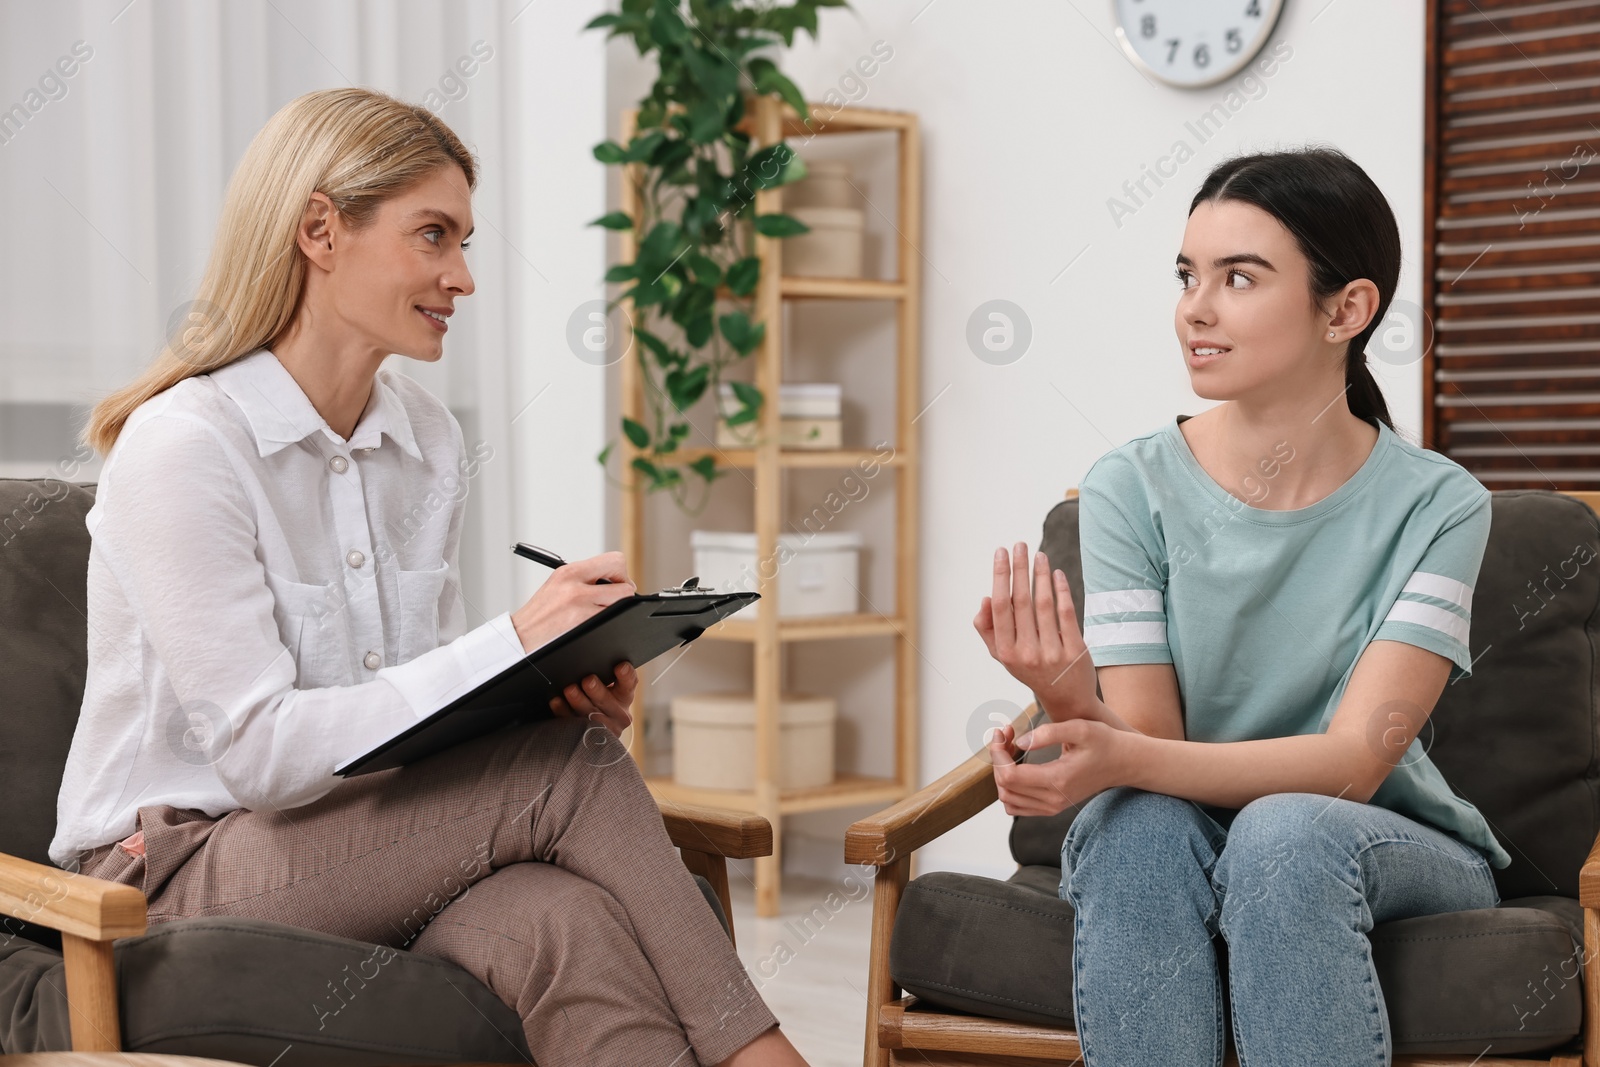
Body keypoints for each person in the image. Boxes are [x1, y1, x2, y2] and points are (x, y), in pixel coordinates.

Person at [53, 86, 809, 1067]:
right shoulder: (186, 445)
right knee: (574, 776)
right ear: (320, 229)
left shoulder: (426, 441)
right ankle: (766, 1054)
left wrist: (540, 693)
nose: (462, 275)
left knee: (563, 919)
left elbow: (407, 718)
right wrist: (512, 641)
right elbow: (257, 753)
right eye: (433, 235)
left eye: (464, 240)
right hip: (167, 872)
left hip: (349, 842)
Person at [973, 146, 1508, 1066]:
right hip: (1184, 821)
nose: (1196, 308)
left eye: (1239, 277)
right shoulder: (1126, 488)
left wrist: (1106, 741)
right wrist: (1067, 696)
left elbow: (1349, 764)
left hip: (1385, 840)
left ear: (1348, 309)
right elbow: (1147, 743)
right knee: (1133, 825)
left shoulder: (1441, 504)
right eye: (1188, 275)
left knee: (1285, 827)